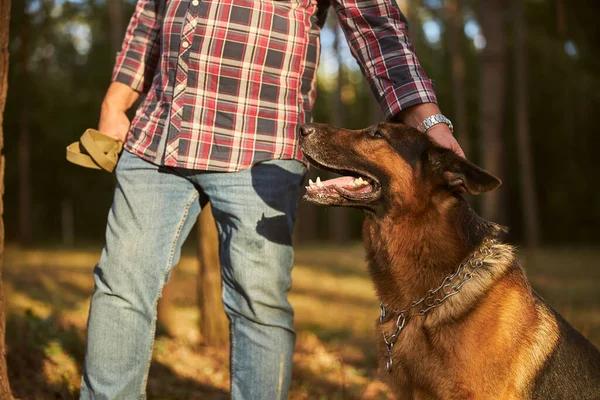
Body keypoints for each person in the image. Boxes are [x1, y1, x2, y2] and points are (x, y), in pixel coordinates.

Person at [80, 0, 464, 398]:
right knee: (119, 289)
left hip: (261, 140)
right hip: (158, 131)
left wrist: (427, 119)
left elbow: (376, 24)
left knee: (258, 307)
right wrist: (116, 100)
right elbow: (150, 14)